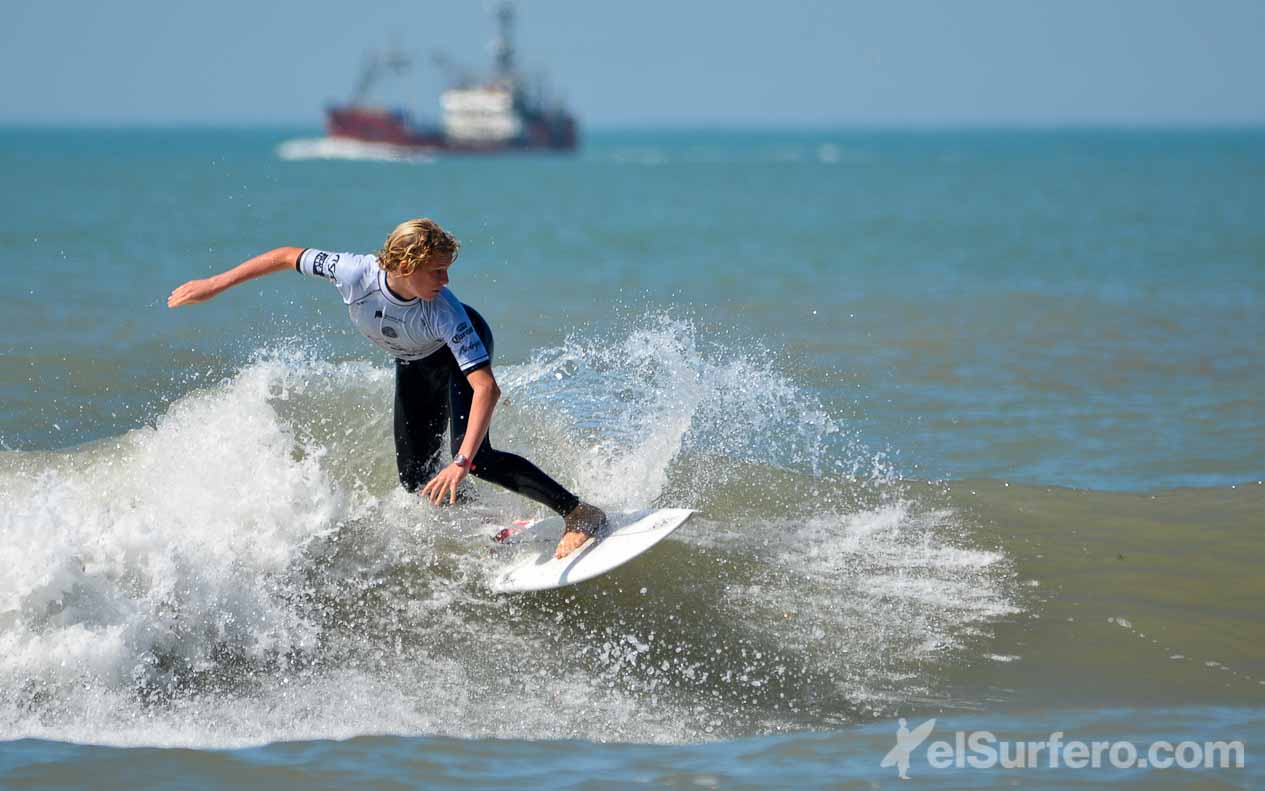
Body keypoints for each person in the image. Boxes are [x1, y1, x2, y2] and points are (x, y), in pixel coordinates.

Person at [167, 218, 606, 559]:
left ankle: (578, 513)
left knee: (478, 460)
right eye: (437, 271)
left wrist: (461, 459)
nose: (446, 281)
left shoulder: (446, 311)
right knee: (415, 480)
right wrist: (214, 284)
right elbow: (286, 256)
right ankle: (492, 523)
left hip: (455, 355)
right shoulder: (354, 272)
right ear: (406, 266)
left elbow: (486, 388)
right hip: (414, 361)